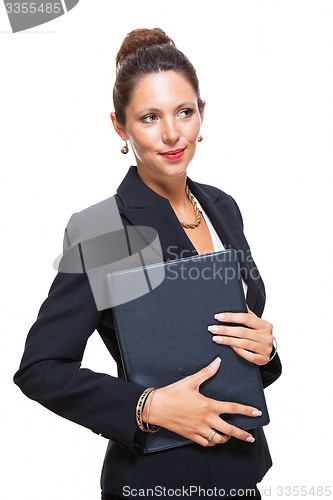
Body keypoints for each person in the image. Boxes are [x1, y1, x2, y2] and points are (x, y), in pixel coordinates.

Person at [14, 28, 282, 500]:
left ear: (202, 113)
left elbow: (224, 343)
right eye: (149, 117)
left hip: (241, 472)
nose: (173, 133)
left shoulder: (223, 207)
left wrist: (267, 351)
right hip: (157, 480)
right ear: (120, 127)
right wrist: (147, 406)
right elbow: (41, 368)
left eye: (184, 111)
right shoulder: (102, 229)